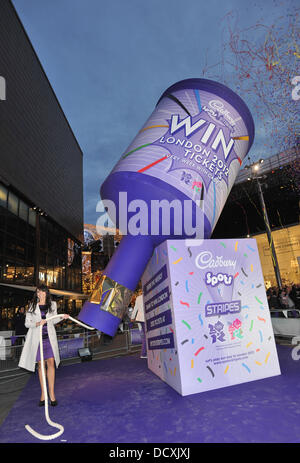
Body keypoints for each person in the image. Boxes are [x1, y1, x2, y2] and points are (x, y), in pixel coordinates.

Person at [18, 284, 69, 406]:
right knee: (41, 365)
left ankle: (51, 393)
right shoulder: (32, 306)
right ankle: (43, 394)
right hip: (38, 340)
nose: (38, 294)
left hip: (49, 339)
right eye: (37, 292)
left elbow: (53, 320)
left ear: (46, 293)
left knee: (51, 363)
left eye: (40, 291)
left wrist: (62, 317)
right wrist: (37, 323)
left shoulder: (53, 305)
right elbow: (27, 324)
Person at [131, 291, 147, 359]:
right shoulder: (147, 297)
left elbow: (135, 308)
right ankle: (143, 353)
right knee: (146, 336)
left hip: (140, 318)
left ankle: (145, 353)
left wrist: (132, 317)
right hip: (144, 318)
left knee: (145, 335)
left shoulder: (138, 298)